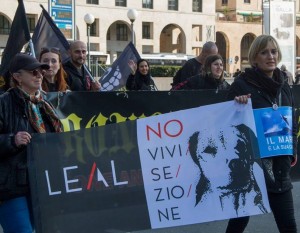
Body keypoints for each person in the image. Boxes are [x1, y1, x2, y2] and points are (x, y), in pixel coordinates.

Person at [226, 35, 297, 233]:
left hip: (278, 168)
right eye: (264, 52)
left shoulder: (284, 86)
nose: (270, 56)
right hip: (249, 168)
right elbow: (224, 122)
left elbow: (291, 121)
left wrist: (292, 150)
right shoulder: (241, 85)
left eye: (273, 52)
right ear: (254, 57)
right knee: (237, 225)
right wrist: (236, 105)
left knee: (289, 226)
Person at [0, 53, 62, 233]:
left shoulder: (44, 105)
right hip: (10, 187)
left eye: (41, 72)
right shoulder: (4, 103)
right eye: (33, 72)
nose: (39, 75)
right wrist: (12, 140)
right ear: (17, 77)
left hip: (40, 183)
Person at [189, 124, 268, 216]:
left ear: (251, 156)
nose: (233, 157)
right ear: (197, 161)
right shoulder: (196, 213)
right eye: (210, 150)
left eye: (240, 147)